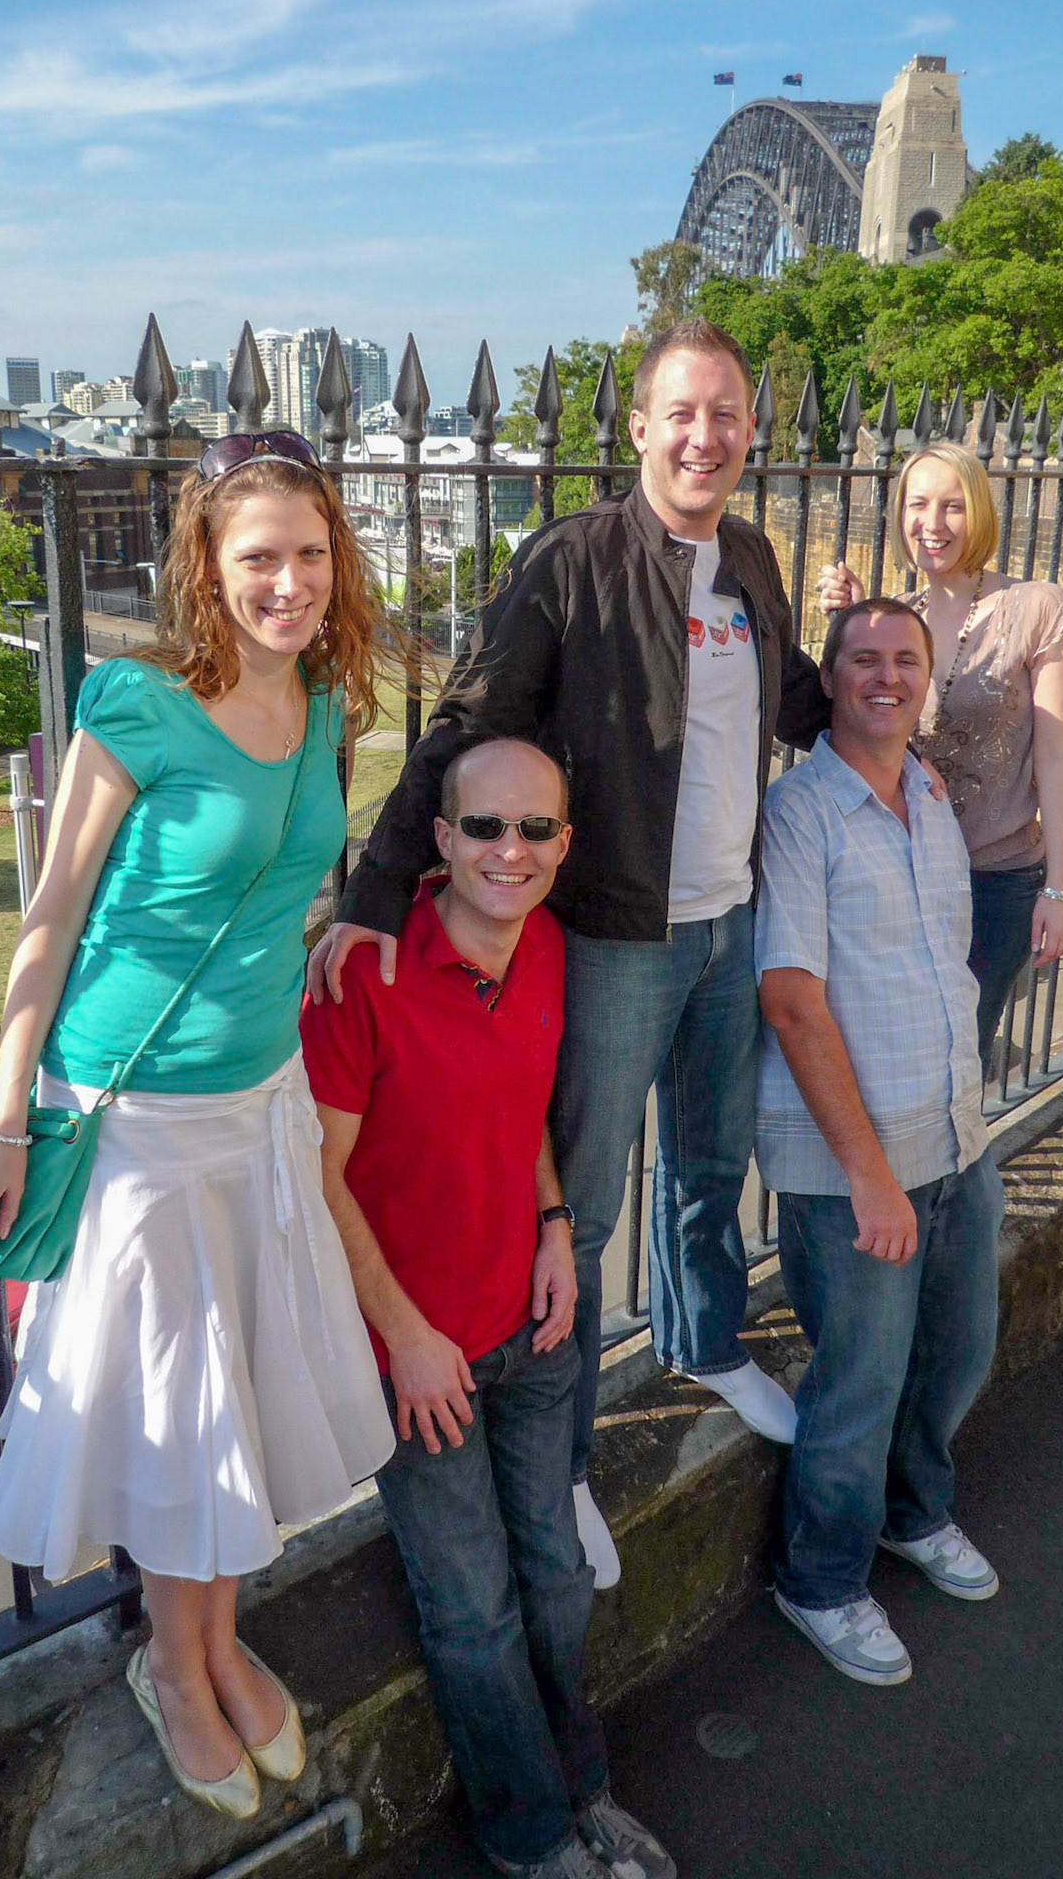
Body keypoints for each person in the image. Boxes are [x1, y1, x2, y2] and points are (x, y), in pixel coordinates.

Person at [309, 317, 832, 1587]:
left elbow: (791, 693)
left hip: (730, 917)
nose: (704, 435)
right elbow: (471, 714)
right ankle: (572, 1457)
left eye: (726, 413)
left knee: (709, 1159)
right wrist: (376, 887)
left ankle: (705, 1338)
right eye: (681, 412)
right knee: (581, 1208)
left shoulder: (751, 558)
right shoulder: (572, 559)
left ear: (749, 431)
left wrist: (884, 716)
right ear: (639, 427)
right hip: (612, 929)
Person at [0, 429, 398, 1819]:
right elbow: (51, 916)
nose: (288, 582)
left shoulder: (324, 698)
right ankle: (175, 1664)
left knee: (237, 1393)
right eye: (259, 556)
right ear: (206, 561)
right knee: (183, 1415)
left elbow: (288, 870)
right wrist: (2, 1113)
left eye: (310, 553)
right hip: (137, 1118)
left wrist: (335, 926)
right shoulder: (136, 703)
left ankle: (216, 1639)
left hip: (261, 1102)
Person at [301, 735, 675, 1879]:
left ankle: (584, 1785)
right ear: (440, 836)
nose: (509, 849)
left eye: (535, 828)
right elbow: (315, 1175)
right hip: (423, 1361)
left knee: (555, 1574)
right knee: (474, 1606)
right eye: (483, 826)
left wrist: (555, 1223)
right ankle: (532, 1834)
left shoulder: (548, 946)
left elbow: (520, 1119)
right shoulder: (363, 976)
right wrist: (407, 1337)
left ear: (564, 842)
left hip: (533, 1326)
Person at [755, 598, 1005, 1687]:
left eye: (906, 659)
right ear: (830, 677)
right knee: (858, 1380)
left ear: (927, 679)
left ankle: (915, 1513)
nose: (886, 676)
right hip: (857, 1160)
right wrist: (868, 1175)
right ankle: (819, 1580)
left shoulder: (931, 799)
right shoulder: (801, 811)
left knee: (956, 1349)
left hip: (952, 1127)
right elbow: (791, 1000)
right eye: (863, 658)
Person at [821, 440, 1063, 1067]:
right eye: (917, 505)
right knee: (884, 1049)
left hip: (995, 879)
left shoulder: (1037, 608)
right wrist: (855, 620)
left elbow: (1055, 756)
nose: (932, 523)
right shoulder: (900, 620)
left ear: (980, 513)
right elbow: (872, 735)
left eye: (952, 506)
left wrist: (1060, 891)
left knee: (956, 1056)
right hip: (901, 869)